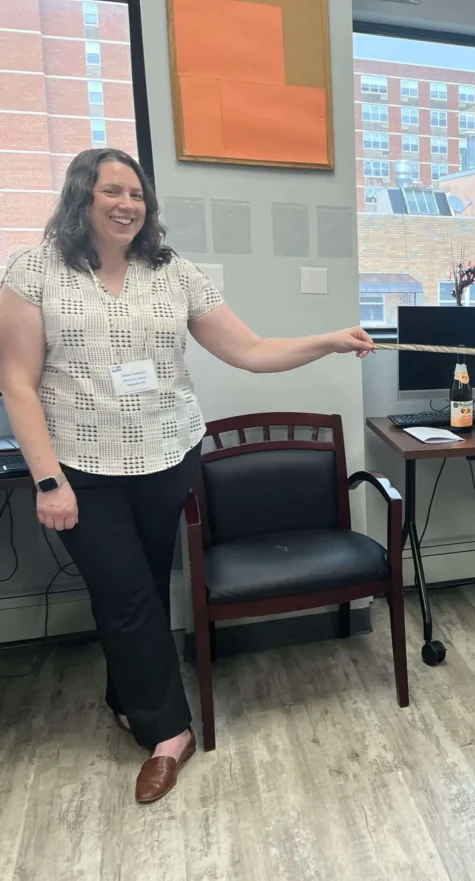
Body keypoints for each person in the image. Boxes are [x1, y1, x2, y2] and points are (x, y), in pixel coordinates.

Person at [0, 148, 375, 804]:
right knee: (125, 595)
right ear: (81, 198)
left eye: (136, 193)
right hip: (82, 468)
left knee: (139, 587)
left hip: (168, 458)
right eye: (110, 191)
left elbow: (251, 351)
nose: (126, 204)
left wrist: (329, 339)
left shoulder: (174, 273)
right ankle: (170, 732)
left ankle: (127, 696)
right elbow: (17, 383)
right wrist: (47, 479)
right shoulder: (35, 272)